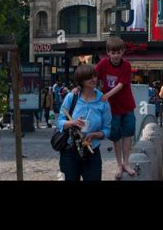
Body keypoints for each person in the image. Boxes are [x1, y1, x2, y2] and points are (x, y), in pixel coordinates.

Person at [57, 64, 111, 182]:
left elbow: (107, 129)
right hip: (70, 151)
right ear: (81, 80)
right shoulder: (72, 97)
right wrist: (72, 122)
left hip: (92, 151)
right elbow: (60, 122)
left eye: (95, 76)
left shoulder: (102, 100)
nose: (94, 79)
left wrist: (95, 135)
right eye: (89, 77)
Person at [95, 36, 137, 180]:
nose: (115, 55)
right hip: (112, 109)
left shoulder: (126, 65)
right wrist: (80, 88)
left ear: (122, 52)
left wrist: (106, 95)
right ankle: (119, 164)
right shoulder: (103, 64)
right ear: (108, 53)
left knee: (127, 134)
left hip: (127, 106)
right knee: (115, 137)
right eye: (113, 53)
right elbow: (93, 77)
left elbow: (120, 85)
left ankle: (127, 162)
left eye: (118, 52)